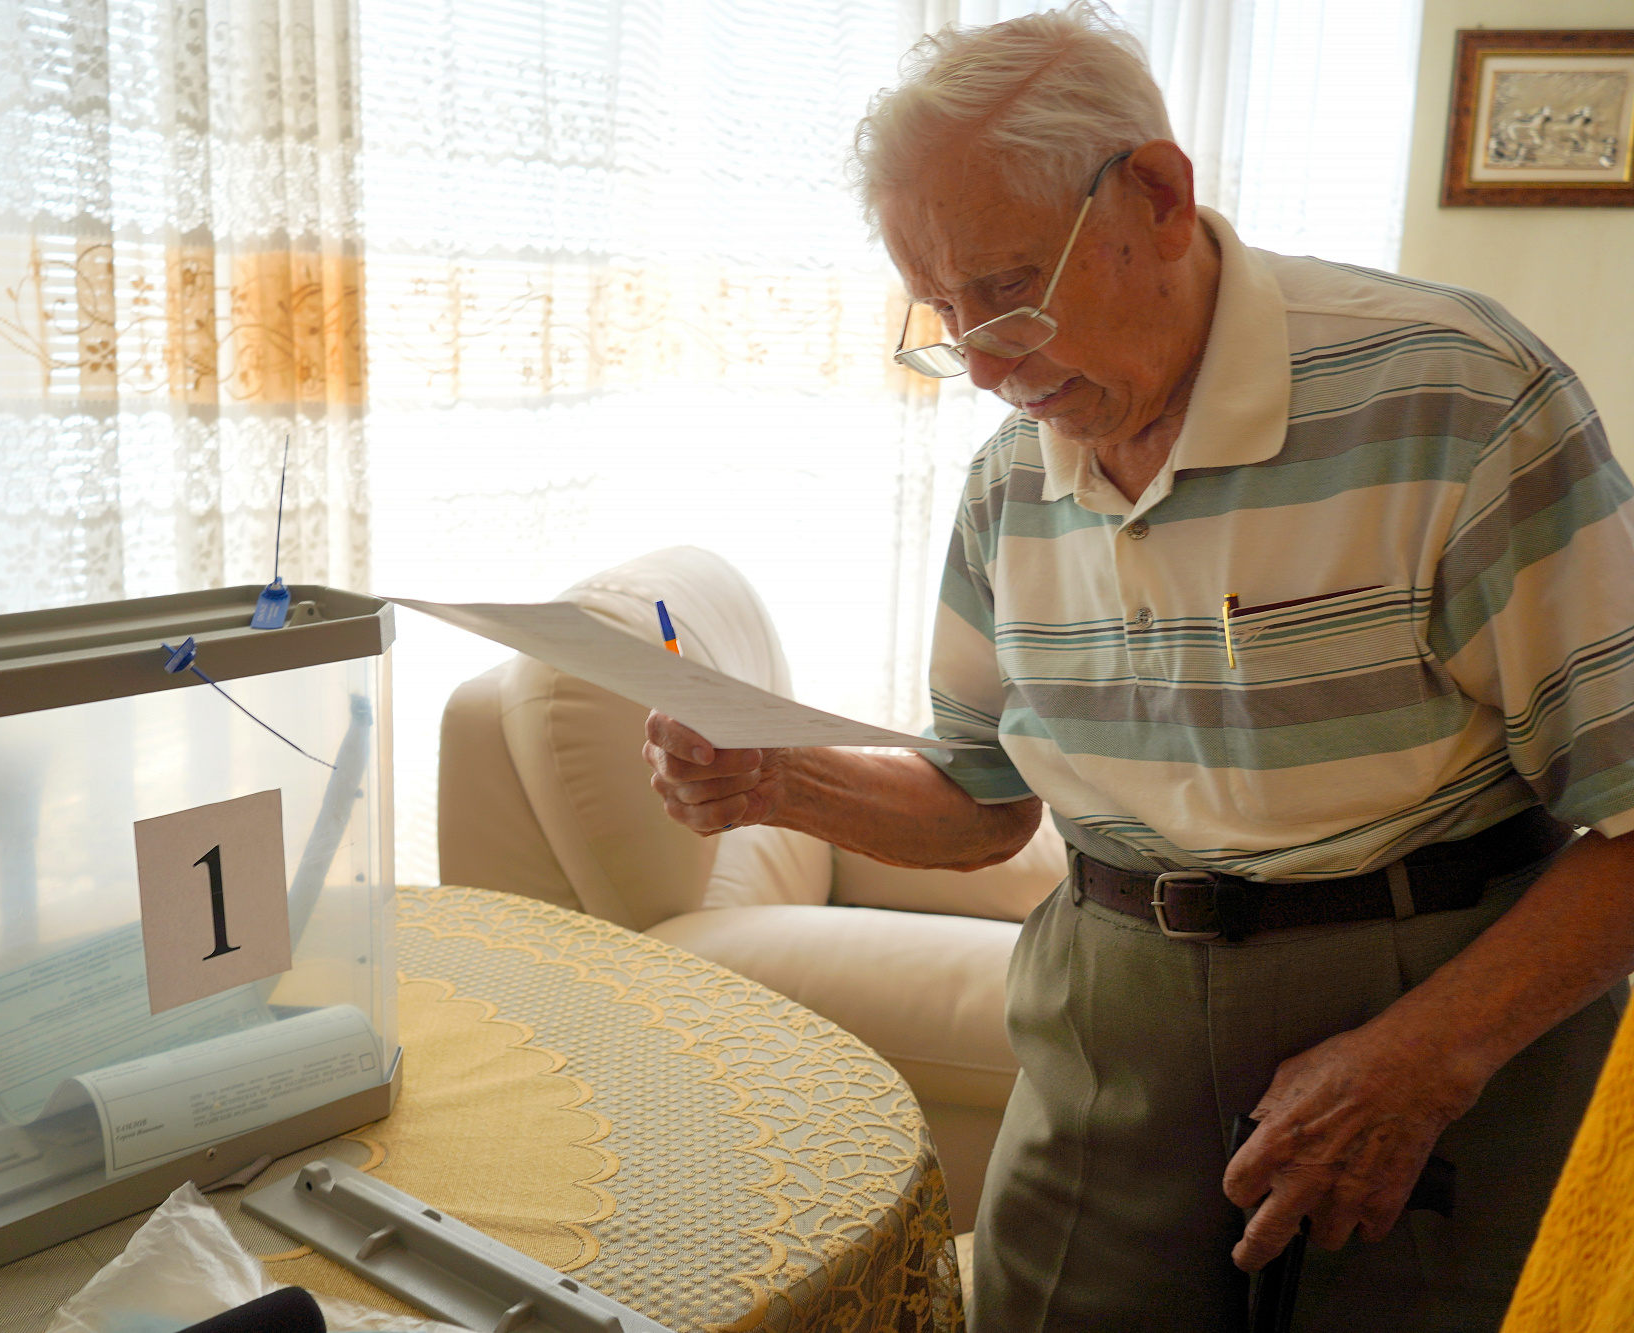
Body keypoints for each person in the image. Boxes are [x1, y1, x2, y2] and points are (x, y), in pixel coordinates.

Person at [641, 5, 1634, 1330]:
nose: (982, 364)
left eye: (1008, 290)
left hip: (1435, 1011)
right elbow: (986, 804)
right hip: (1111, 1020)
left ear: (1158, 197)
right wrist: (773, 777)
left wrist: (1428, 1057)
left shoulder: (1460, 401)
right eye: (942, 313)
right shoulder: (1011, 483)